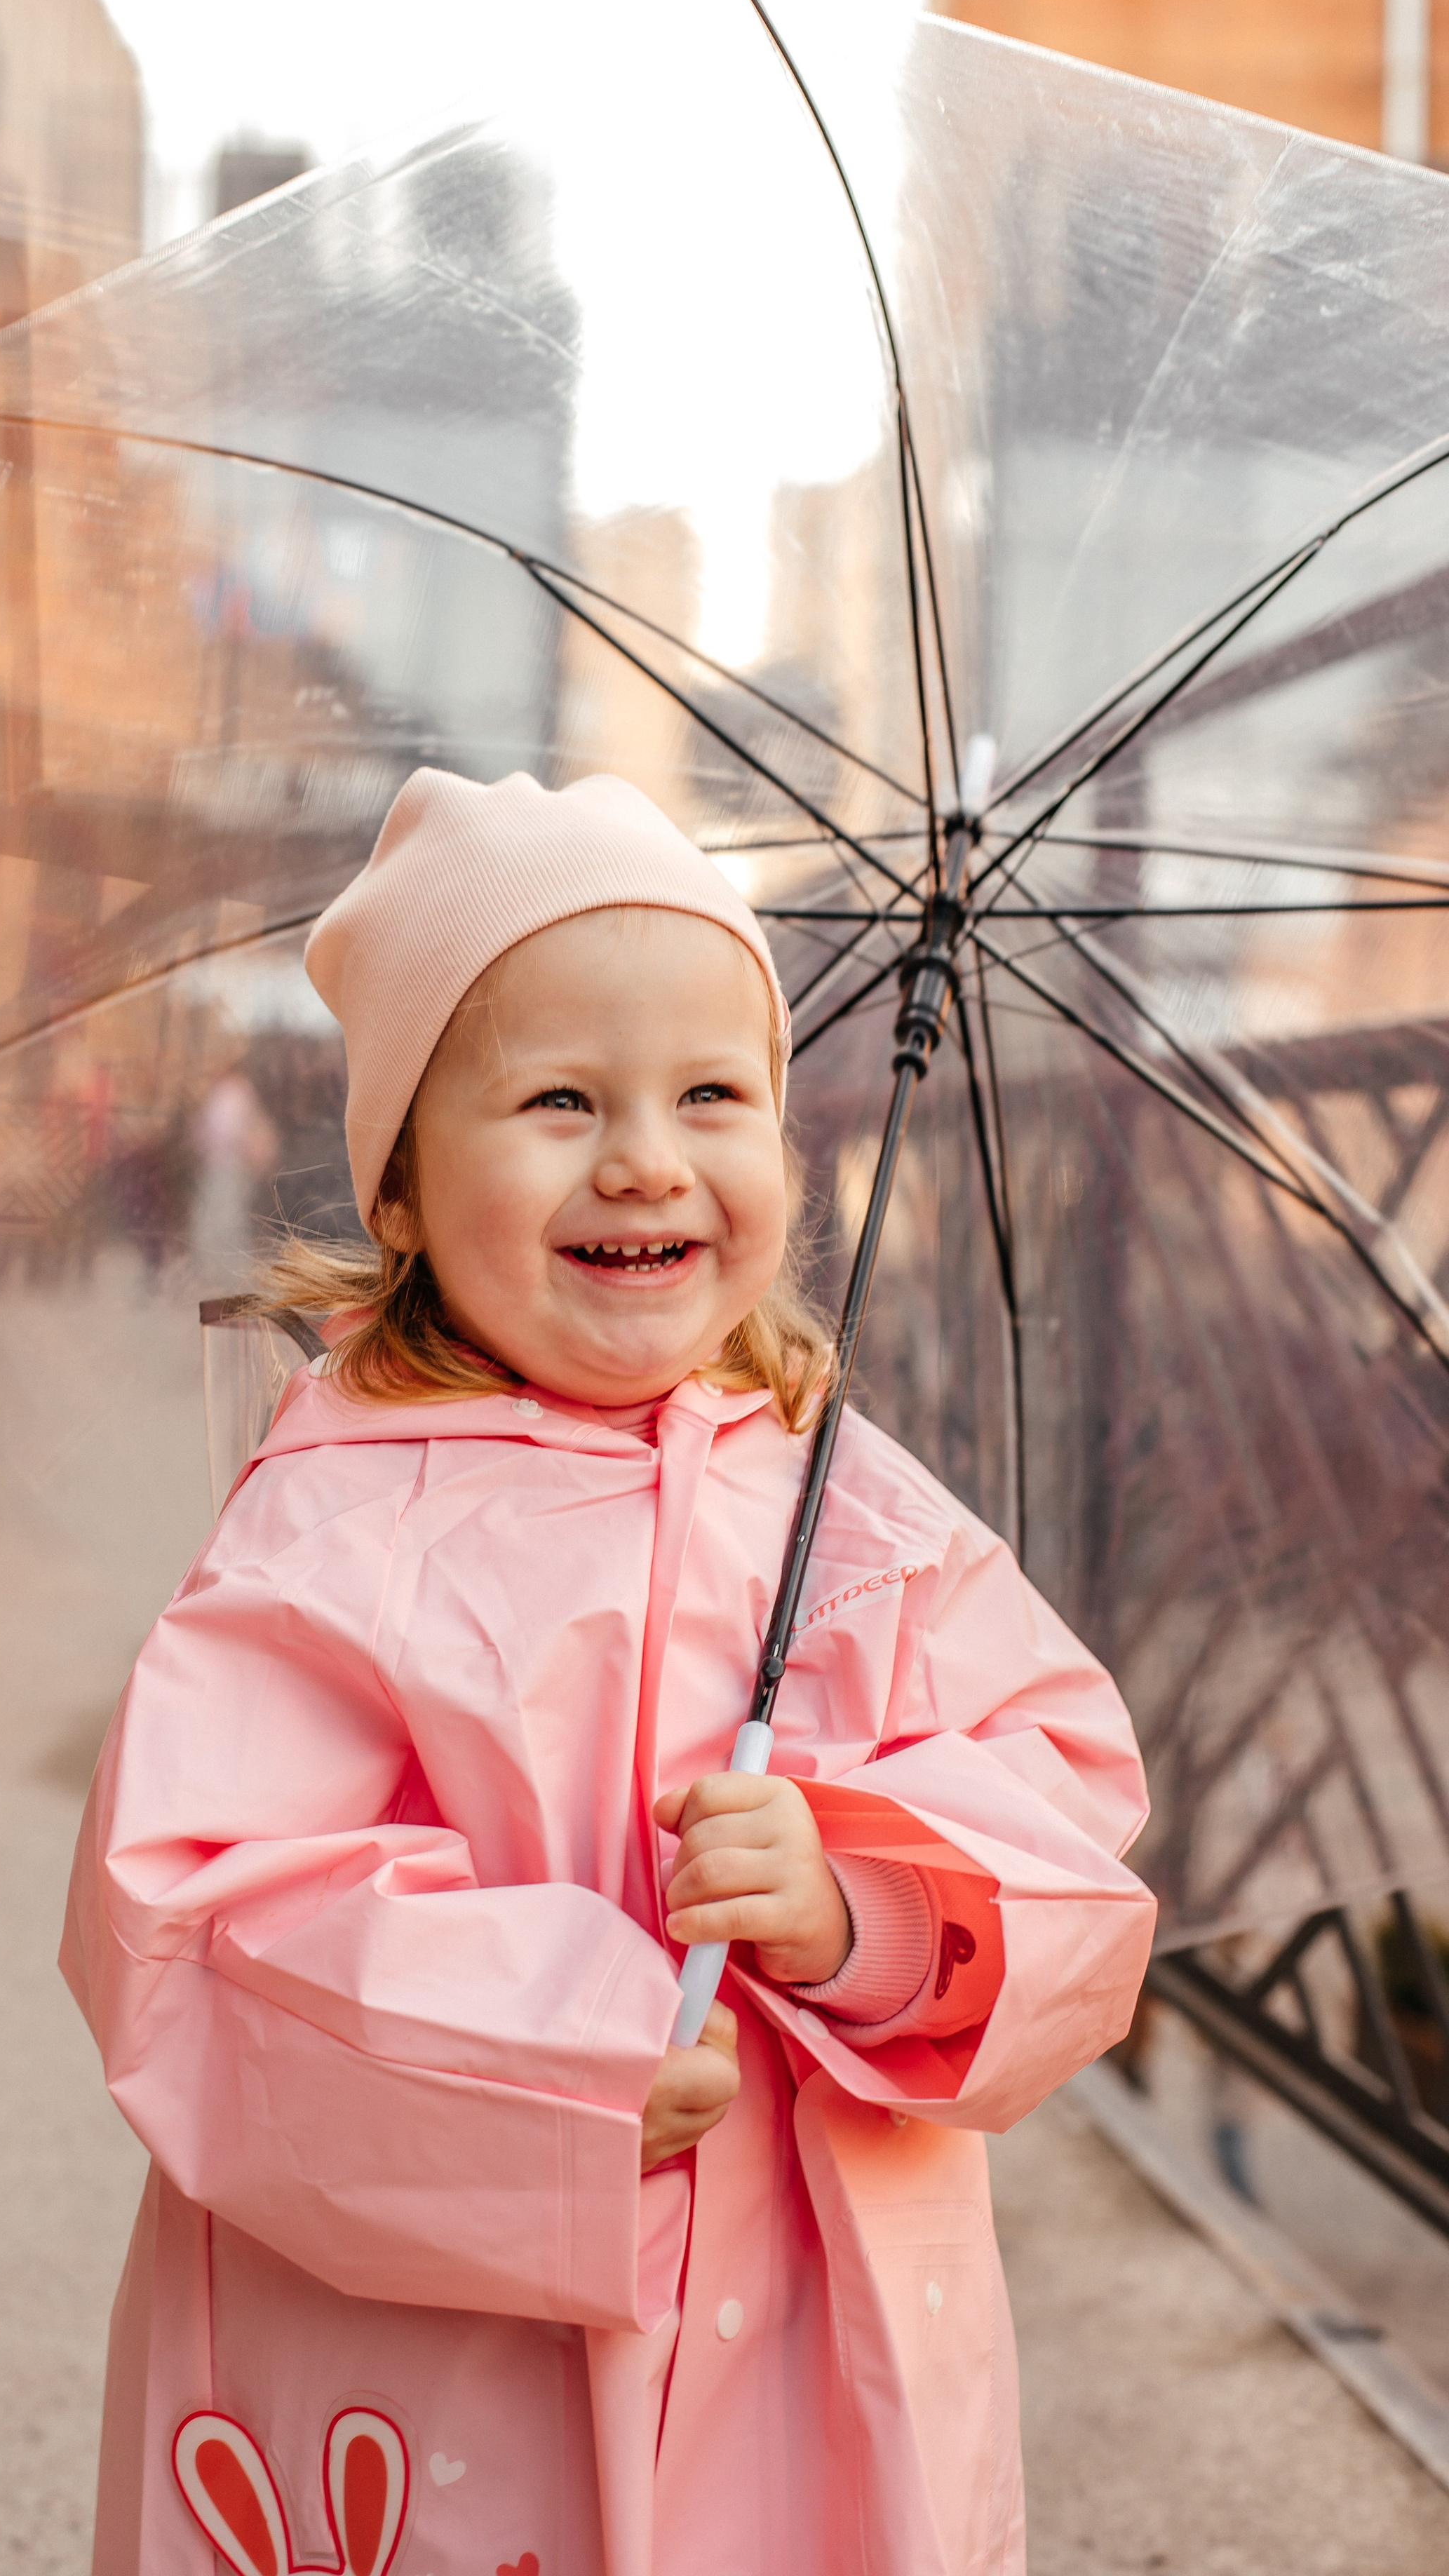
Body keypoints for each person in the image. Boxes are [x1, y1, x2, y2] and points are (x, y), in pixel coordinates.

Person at [62, 769, 1155, 2576]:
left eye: (713, 1097)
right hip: (447, 2363)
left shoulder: (848, 1509)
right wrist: (548, 2052)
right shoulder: (341, 1522)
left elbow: (1058, 1805)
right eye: (561, 1099)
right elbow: (196, 1914)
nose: (647, 1156)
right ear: (405, 1186)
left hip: (815, 2334)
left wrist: (860, 1900)